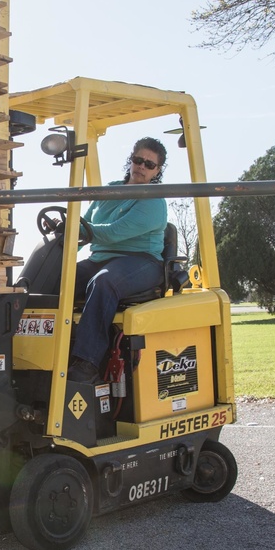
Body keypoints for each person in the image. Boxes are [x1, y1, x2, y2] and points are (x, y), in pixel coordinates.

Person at [66, 137, 168, 383]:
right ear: (130, 160)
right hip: (102, 258)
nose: (142, 166)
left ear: (157, 171)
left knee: (104, 282)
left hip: (141, 261)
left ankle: (87, 362)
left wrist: (81, 230)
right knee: (59, 278)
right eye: (138, 160)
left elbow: (112, 232)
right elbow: (84, 223)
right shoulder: (109, 190)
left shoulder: (154, 200)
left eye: (149, 164)